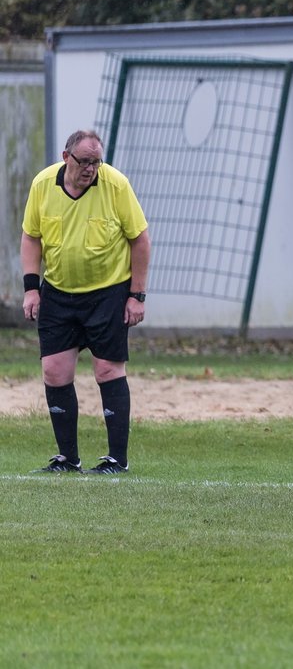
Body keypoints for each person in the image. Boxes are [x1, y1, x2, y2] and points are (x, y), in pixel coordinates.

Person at [20, 129, 150, 475]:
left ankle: (116, 460)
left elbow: (140, 239)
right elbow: (32, 236)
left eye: (96, 162)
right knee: (54, 371)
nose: (91, 169)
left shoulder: (116, 185)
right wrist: (31, 288)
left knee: (107, 369)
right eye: (85, 161)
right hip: (59, 293)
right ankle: (67, 458)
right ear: (66, 158)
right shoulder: (43, 185)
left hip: (107, 292)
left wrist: (136, 295)